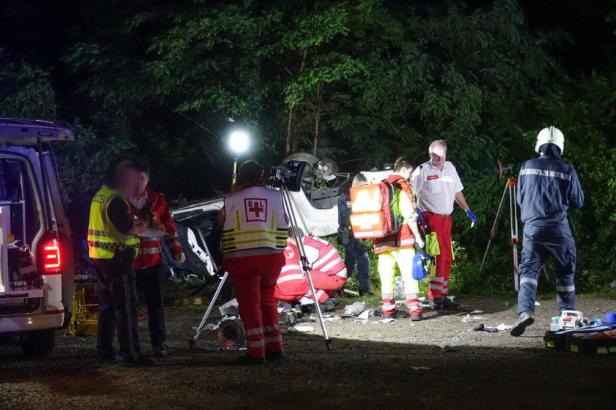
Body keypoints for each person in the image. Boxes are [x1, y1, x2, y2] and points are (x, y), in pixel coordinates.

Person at [510, 126, 584, 336]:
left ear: (539, 144)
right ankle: (567, 317)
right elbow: (578, 201)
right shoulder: (567, 169)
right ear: (560, 146)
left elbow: (520, 199)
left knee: (529, 271)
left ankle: (524, 312)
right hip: (558, 229)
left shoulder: (526, 166)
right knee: (565, 272)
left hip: (532, 229)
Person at [217, 160, 289, 364]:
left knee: (250, 305)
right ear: (262, 175)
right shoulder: (276, 196)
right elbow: (286, 221)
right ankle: (275, 346)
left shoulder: (233, 198)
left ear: (240, 176)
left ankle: (256, 352)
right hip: (272, 257)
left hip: (243, 258)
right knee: (267, 301)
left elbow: (222, 221)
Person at [88, 160, 148, 363]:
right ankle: (130, 353)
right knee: (126, 308)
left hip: (100, 258)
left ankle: (104, 351)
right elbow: (125, 228)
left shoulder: (99, 196)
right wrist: (141, 226)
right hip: (117, 259)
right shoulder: (115, 199)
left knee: (107, 308)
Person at [126, 160, 185, 358]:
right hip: (130, 263)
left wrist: (176, 249)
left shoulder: (157, 199)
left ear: (148, 179)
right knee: (129, 307)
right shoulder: (121, 200)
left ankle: (159, 344)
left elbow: (169, 226)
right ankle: (130, 346)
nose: (138, 183)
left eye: (142, 179)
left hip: (154, 262)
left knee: (156, 306)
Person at [411, 140, 476, 311]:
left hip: (446, 219)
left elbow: (456, 191)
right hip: (431, 219)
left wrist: (467, 209)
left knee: (447, 257)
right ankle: (435, 296)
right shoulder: (422, 171)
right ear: (429, 154)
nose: (436, 159)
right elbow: (410, 193)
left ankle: (442, 294)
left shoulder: (450, 168)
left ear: (445, 155)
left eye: (439, 157)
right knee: (437, 257)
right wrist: (416, 213)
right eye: (433, 156)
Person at [373, 158, 425, 320]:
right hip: (403, 240)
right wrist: (418, 238)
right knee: (408, 275)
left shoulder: (379, 188)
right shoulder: (401, 188)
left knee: (386, 276)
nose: (409, 177)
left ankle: (388, 310)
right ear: (403, 171)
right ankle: (415, 310)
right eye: (409, 174)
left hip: (382, 241)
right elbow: (409, 216)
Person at [275, 233, 347, 312]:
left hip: (335, 278)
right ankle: (325, 297)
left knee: (300, 278)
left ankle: (322, 300)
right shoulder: (309, 241)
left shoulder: (305, 248)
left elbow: (302, 269)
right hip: (334, 274)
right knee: (302, 277)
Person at [337, 178, 372, 295]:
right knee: (363, 260)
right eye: (363, 186)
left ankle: (337, 288)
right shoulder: (347, 197)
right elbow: (348, 218)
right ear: (356, 184)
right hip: (350, 235)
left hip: (353, 234)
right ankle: (365, 289)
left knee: (349, 264)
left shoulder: (354, 195)